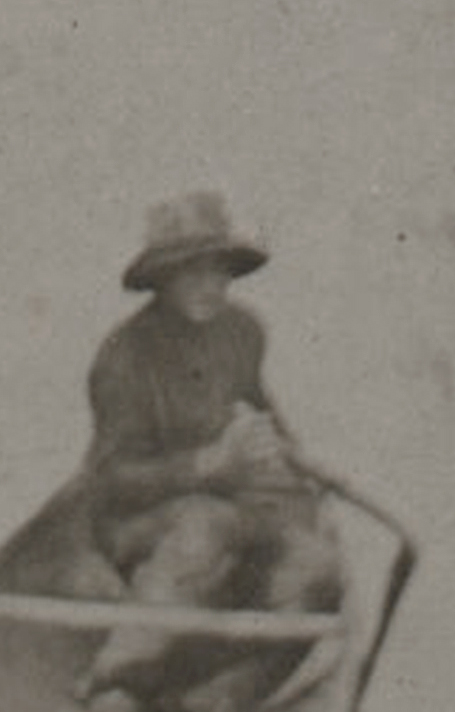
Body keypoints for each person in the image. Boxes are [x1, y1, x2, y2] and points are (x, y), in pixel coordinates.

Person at [81, 190, 341, 612]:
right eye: (192, 272)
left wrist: (298, 463)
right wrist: (206, 465)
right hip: (136, 521)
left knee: (319, 565)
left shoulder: (241, 331)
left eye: (220, 270)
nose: (212, 286)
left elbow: (261, 411)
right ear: (162, 278)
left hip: (225, 504)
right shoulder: (123, 358)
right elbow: (111, 480)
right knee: (204, 532)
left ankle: (257, 641)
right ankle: (131, 642)